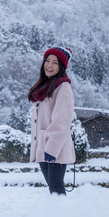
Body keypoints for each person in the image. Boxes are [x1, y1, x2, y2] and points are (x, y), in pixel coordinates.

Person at [28, 47, 76, 195]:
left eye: (55, 62)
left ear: (61, 66)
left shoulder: (63, 87)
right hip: (43, 145)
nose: (49, 65)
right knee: (53, 187)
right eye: (47, 61)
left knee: (56, 187)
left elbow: (62, 120)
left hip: (55, 147)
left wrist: (52, 148)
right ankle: (59, 215)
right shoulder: (45, 86)